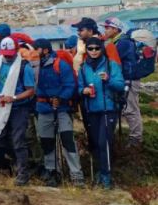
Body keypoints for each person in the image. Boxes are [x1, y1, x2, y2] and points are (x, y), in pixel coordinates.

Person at [0, 37, 36, 185]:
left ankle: (23, 173)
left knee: (18, 141)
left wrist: (14, 97)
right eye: (5, 53)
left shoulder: (24, 66)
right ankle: (16, 160)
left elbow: (31, 91)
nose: (7, 56)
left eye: (10, 53)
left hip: (18, 108)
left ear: (16, 50)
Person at [33, 38, 85, 187]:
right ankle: (52, 171)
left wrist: (61, 98)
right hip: (43, 109)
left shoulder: (60, 65)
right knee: (47, 142)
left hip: (61, 109)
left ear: (45, 50)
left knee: (67, 140)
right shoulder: (35, 67)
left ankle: (76, 173)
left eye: (37, 49)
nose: (35, 52)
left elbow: (70, 85)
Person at [78, 37, 124, 189]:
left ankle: (106, 176)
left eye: (96, 48)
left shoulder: (111, 65)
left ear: (101, 49)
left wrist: (108, 79)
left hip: (108, 109)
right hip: (91, 110)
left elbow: (120, 85)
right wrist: (83, 90)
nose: (93, 51)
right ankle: (100, 171)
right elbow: (79, 88)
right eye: (90, 48)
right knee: (96, 144)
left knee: (104, 143)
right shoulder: (83, 68)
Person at [103, 17, 142, 149]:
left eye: (107, 28)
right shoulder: (118, 41)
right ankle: (133, 137)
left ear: (115, 29)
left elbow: (113, 59)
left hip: (129, 79)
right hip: (125, 78)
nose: (105, 30)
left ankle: (136, 138)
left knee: (130, 108)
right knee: (127, 108)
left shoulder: (123, 43)